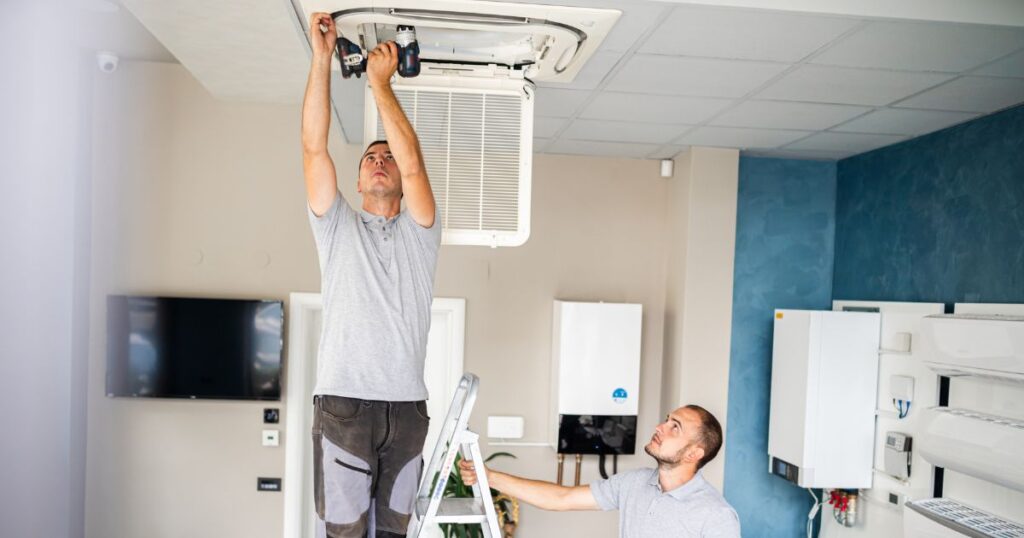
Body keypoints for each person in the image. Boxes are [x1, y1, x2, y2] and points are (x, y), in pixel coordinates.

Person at [301, 11, 441, 538]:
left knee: (394, 535)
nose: (379, 160)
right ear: (357, 181)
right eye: (369, 157)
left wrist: (382, 87)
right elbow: (314, 148)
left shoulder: (420, 230)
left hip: (407, 412)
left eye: (387, 156)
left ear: (399, 184)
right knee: (344, 534)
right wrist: (321, 61)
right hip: (344, 405)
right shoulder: (336, 226)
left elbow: (416, 165)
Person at [460, 405, 741, 537]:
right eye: (666, 420)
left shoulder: (716, 516)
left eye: (674, 427)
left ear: (694, 454)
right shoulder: (635, 483)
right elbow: (562, 498)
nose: (660, 427)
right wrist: (490, 476)